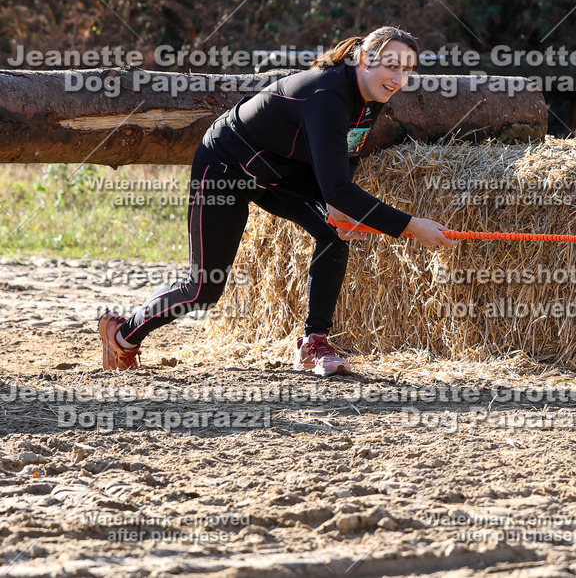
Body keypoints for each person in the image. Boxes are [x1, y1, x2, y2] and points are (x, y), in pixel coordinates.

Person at [98, 26, 455, 375]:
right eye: (392, 65)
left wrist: (338, 207)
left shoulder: (371, 95)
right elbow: (336, 189)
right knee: (203, 289)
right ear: (363, 58)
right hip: (225, 168)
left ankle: (314, 343)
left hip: (280, 172)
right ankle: (123, 335)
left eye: (407, 70)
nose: (398, 78)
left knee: (334, 232)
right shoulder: (326, 95)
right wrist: (411, 226)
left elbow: (347, 156)